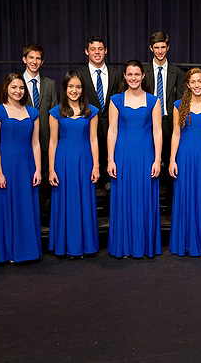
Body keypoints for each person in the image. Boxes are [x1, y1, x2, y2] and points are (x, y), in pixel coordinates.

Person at [107, 60, 162, 258]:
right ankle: (123, 246)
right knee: (124, 198)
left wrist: (157, 160)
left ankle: (144, 246)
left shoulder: (154, 101)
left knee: (144, 198)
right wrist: (110, 159)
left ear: (143, 76)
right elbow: (112, 131)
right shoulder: (116, 100)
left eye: (137, 74)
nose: (133, 78)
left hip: (145, 155)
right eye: (129, 74)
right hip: (123, 155)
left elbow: (157, 131)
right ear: (124, 76)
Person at [0, 73, 42, 263]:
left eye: (21, 88)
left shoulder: (33, 113)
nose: (18, 91)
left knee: (26, 207)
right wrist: (0, 173)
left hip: (27, 165)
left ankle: (28, 250)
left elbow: (36, 144)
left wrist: (37, 169)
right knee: (7, 207)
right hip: (7, 167)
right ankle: (8, 251)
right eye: (14, 87)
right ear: (6, 89)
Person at [169, 68, 201, 257]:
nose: (197, 85)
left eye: (200, 81)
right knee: (185, 197)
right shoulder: (178, 106)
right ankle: (184, 242)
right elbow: (175, 134)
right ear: (188, 85)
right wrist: (172, 159)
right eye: (193, 82)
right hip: (184, 157)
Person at [48, 70, 100, 258]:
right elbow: (52, 142)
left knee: (84, 200)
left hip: (85, 160)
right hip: (63, 161)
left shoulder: (91, 111)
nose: (74, 90)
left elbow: (94, 140)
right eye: (71, 87)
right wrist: (51, 169)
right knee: (66, 201)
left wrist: (96, 165)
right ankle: (66, 245)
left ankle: (85, 245)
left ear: (82, 89)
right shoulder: (55, 112)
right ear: (65, 88)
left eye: (78, 87)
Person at [143, 32, 186, 214]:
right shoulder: (142, 71)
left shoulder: (178, 73)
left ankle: (169, 206)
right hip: (146, 124)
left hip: (169, 124)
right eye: (156, 47)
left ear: (168, 48)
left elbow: (182, 102)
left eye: (163, 47)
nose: (160, 51)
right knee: (148, 163)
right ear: (151, 48)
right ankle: (148, 205)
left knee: (171, 163)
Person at [77, 36, 123, 191]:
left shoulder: (116, 74)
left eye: (100, 49)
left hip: (112, 126)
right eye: (93, 49)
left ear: (106, 51)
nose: (97, 53)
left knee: (110, 164)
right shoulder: (79, 75)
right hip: (87, 126)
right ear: (86, 51)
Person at [22, 43, 58, 226]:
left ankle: (44, 218)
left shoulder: (50, 84)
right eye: (31, 58)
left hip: (44, 140)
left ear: (42, 61)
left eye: (38, 58)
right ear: (24, 59)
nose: (34, 62)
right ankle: (27, 219)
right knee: (25, 181)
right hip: (23, 141)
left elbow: (54, 113)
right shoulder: (16, 83)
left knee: (44, 181)